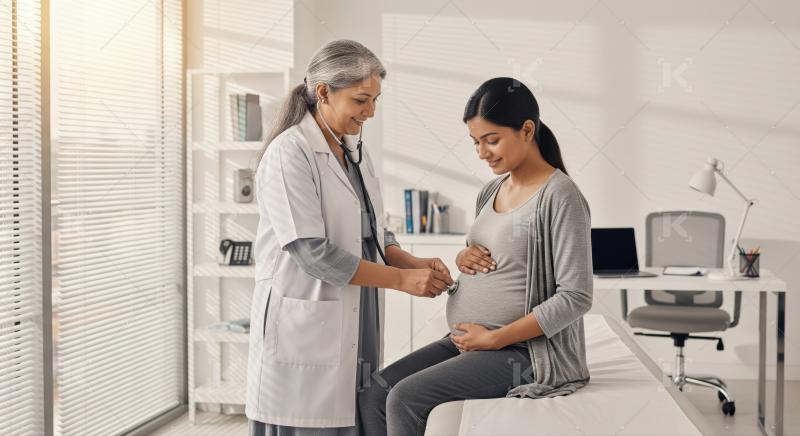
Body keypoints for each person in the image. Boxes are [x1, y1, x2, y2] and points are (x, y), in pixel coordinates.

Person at [358, 77, 594, 436]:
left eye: (491, 140)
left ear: (527, 130)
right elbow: (493, 254)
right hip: (469, 341)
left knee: (405, 398)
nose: (483, 153)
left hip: (523, 352)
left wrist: (496, 339)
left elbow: (576, 296)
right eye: (476, 142)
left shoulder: (560, 196)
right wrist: (463, 255)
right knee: (375, 393)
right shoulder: (491, 190)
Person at [245, 39, 454, 436]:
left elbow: (374, 229)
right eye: (361, 100)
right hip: (306, 319)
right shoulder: (289, 152)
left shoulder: (354, 150)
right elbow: (312, 253)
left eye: (374, 100)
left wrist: (408, 262)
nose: (370, 112)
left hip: (357, 313)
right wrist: (402, 280)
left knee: (355, 412)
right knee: (312, 420)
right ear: (324, 92)